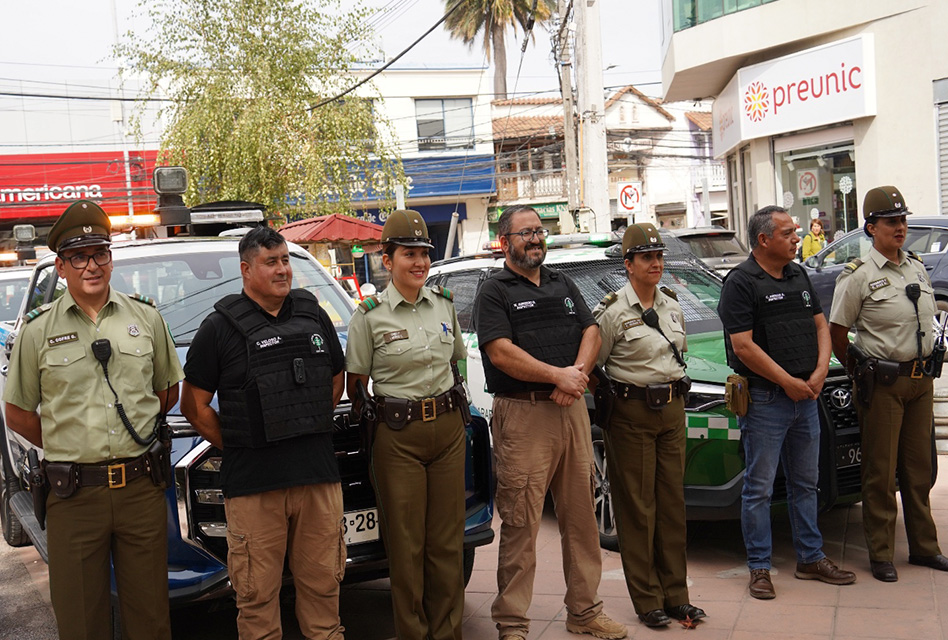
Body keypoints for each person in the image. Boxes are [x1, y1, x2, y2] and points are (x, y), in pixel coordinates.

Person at [2, 200, 184, 640]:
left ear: (111, 258)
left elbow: (167, 391)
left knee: (152, 619)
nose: (91, 265)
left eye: (99, 253)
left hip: (141, 490)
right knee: (82, 621)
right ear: (61, 267)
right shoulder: (37, 331)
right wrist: (71, 440)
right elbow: (19, 413)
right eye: (78, 257)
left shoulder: (146, 318)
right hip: (74, 497)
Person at [180, 226, 346, 639]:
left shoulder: (313, 313)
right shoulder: (217, 329)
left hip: (317, 478)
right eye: (271, 262)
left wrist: (301, 422)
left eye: (286, 260)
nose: (283, 270)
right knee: (256, 601)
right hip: (254, 485)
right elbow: (193, 407)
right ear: (246, 269)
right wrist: (240, 440)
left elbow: (336, 379)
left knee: (325, 591)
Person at [475, 205, 627, 640]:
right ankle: (513, 623)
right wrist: (555, 375)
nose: (536, 240)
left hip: (571, 412)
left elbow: (592, 332)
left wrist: (575, 375)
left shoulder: (562, 282)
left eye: (540, 232)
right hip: (523, 417)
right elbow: (500, 351)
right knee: (521, 522)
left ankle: (585, 612)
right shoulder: (494, 291)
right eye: (526, 234)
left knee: (581, 520)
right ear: (505, 242)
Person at [718, 205, 856, 600]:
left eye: (796, 232)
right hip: (765, 399)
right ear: (763, 240)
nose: (797, 239)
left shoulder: (798, 274)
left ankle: (810, 558)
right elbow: (742, 346)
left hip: (806, 397)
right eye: (788, 233)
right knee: (759, 488)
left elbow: (819, 324)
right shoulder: (741, 282)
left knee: (806, 483)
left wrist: (818, 372)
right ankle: (760, 567)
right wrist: (787, 382)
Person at [345, 210, 469, 640]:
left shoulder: (444, 304)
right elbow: (356, 386)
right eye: (409, 254)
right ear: (387, 259)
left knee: (447, 544)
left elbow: (458, 365)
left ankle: (447, 632)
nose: (419, 263)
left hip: (449, 432)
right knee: (406, 547)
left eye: (423, 254)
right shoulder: (369, 315)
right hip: (398, 439)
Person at [828, 185, 948, 582]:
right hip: (882, 385)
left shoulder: (914, 266)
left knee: (918, 469)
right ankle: (881, 553)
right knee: (880, 472)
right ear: (870, 228)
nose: (900, 227)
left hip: (920, 381)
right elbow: (837, 332)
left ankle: (924, 548)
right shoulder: (858, 276)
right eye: (891, 222)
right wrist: (860, 373)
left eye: (903, 220)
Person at [593, 223, 706, 629]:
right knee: (638, 509)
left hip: (672, 411)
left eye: (658, 257)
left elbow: (677, 358)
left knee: (672, 506)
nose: (655, 263)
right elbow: (594, 364)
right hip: (632, 415)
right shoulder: (612, 312)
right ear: (628, 265)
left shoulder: (673, 305)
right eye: (646, 258)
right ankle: (647, 600)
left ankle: (677, 596)